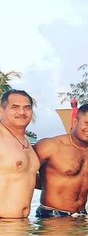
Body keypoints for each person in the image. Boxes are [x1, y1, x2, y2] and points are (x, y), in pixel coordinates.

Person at [34, 103, 88, 217]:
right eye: (87, 123)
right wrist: (47, 184)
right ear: (75, 122)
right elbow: (23, 175)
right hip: (52, 217)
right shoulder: (49, 146)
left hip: (81, 216)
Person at [0, 90, 39, 218]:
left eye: (27, 108)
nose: (22, 112)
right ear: (1, 111)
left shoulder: (27, 143)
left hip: (22, 224)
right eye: (15, 107)